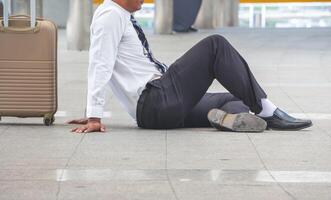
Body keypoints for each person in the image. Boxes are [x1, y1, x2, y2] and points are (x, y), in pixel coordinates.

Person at [69, 0, 312, 133]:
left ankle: (229, 118)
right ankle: (270, 113)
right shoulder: (110, 15)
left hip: (161, 108)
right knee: (215, 45)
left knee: (236, 97)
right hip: (155, 100)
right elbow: (100, 64)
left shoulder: (120, 16)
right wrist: (94, 114)